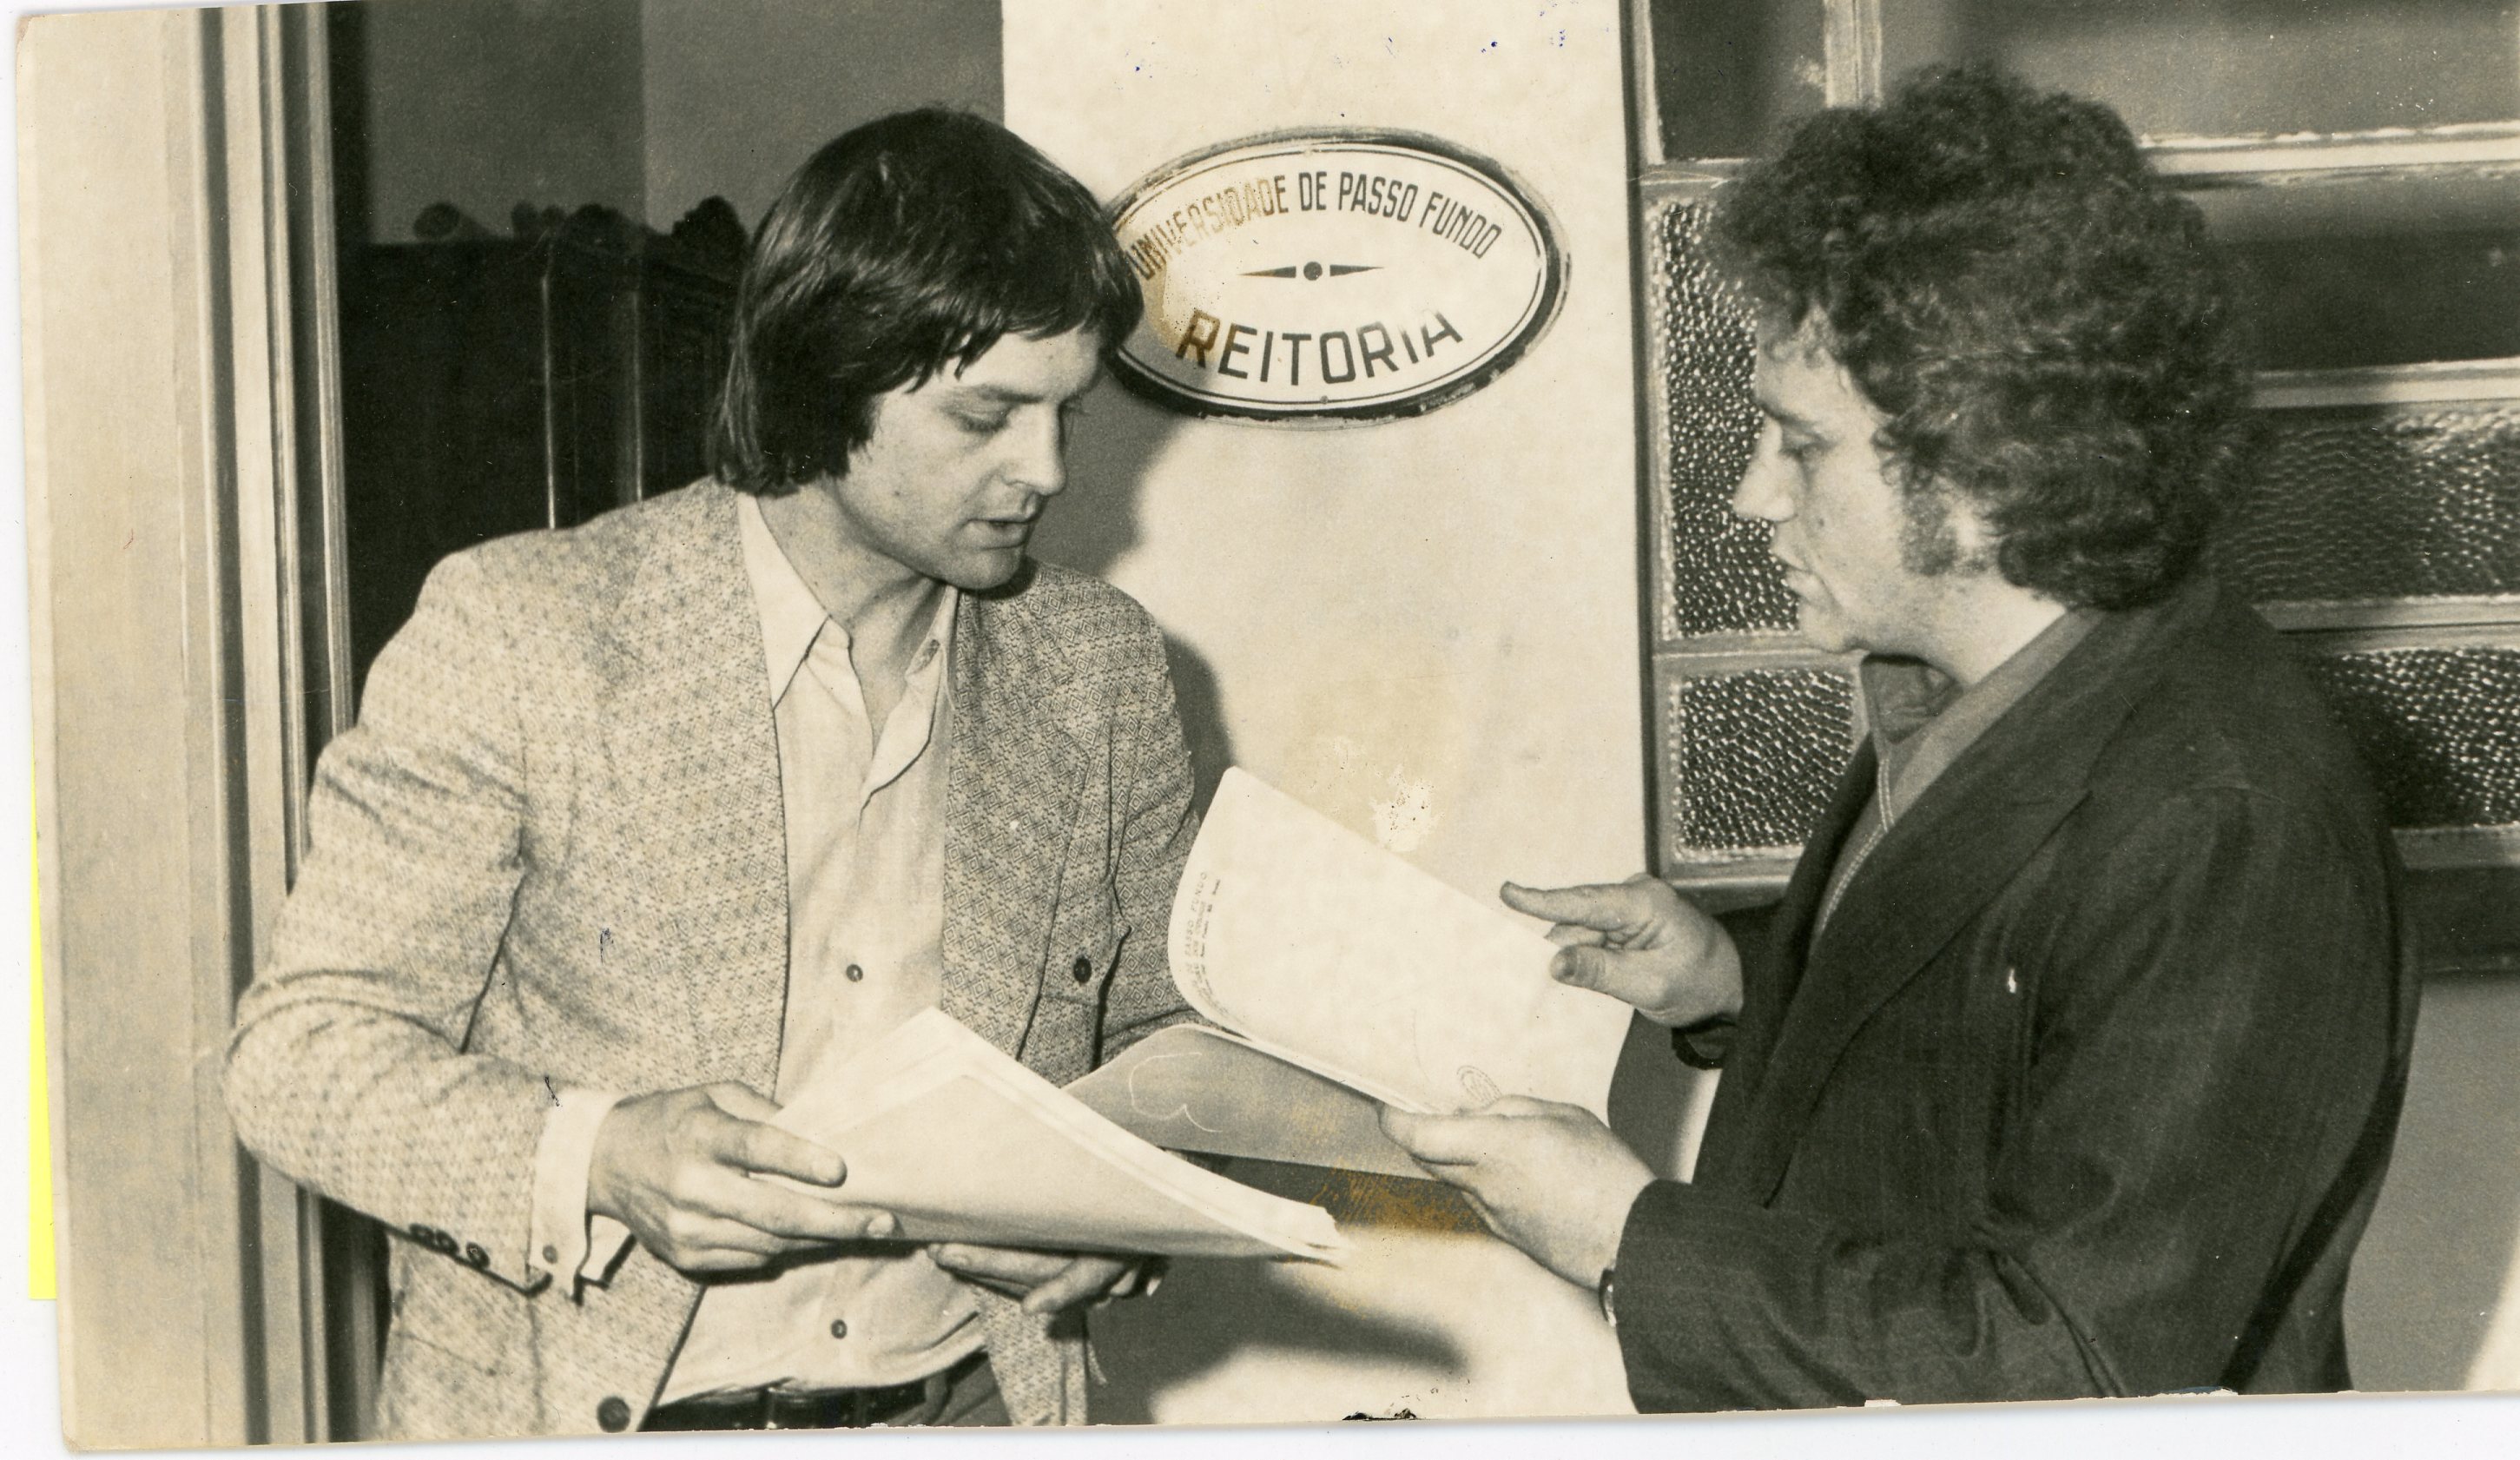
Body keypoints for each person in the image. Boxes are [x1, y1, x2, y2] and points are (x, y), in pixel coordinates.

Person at [1382, 66, 2418, 1410]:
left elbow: (2077, 1359)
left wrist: (1623, 1238)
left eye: (1801, 447)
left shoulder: (2224, 817)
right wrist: (1736, 978)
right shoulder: (1986, 688)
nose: (1752, 495)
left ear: (1985, 475)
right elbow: (2002, 1000)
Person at [225, 109, 1196, 1437]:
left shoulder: (1096, 662)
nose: (1047, 471)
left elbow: (1160, 1039)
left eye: (1063, 411)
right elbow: (298, 1057)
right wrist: (597, 1152)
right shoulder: (524, 628)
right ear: (822, 378)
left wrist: (1118, 1216)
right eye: (986, 415)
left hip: (974, 1407)